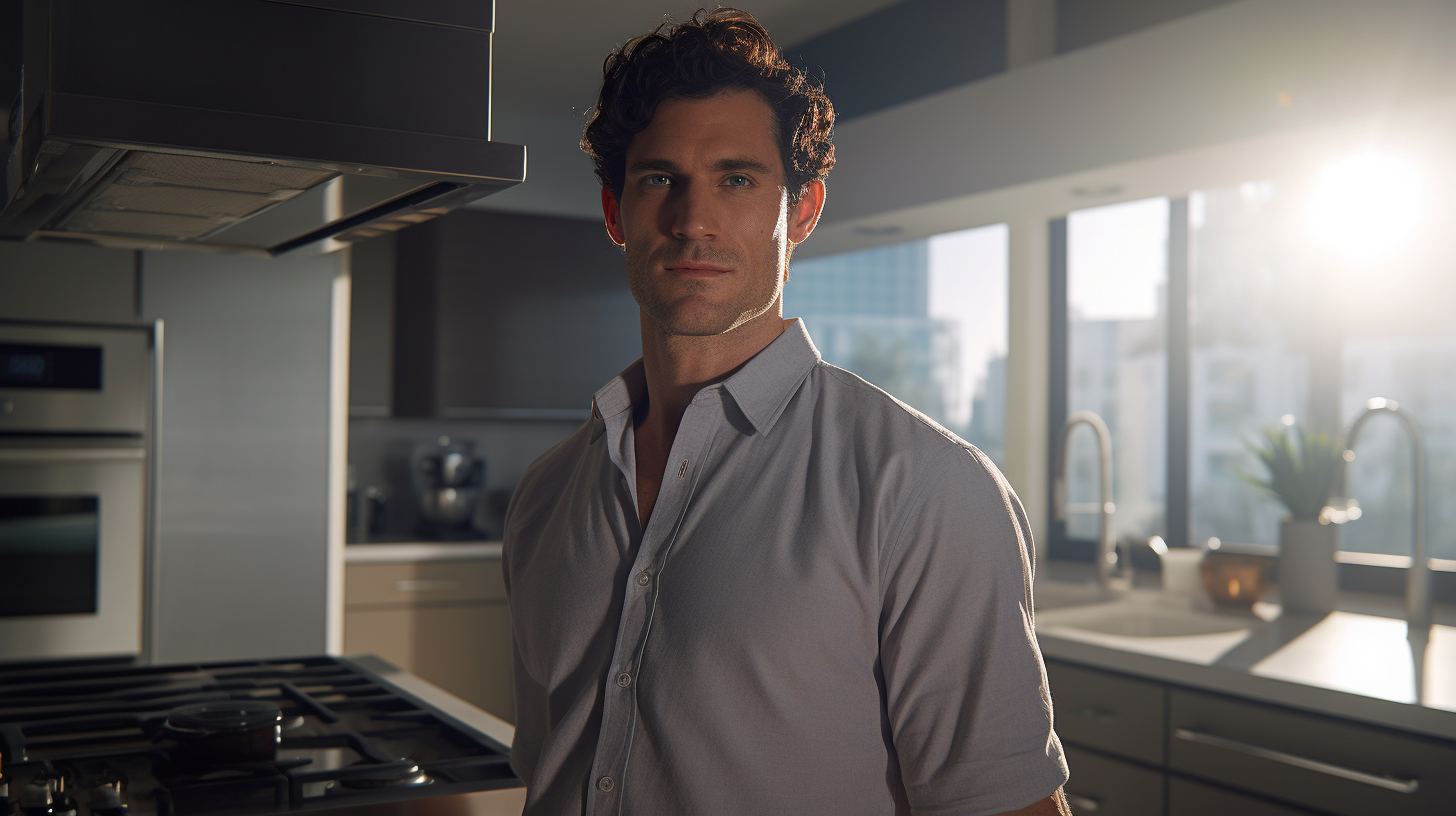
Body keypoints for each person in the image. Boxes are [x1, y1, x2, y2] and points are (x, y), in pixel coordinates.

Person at [502, 8, 1070, 815]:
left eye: (737, 179)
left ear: (800, 213)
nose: (692, 219)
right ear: (614, 213)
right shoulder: (546, 495)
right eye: (659, 178)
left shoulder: (923, 490)